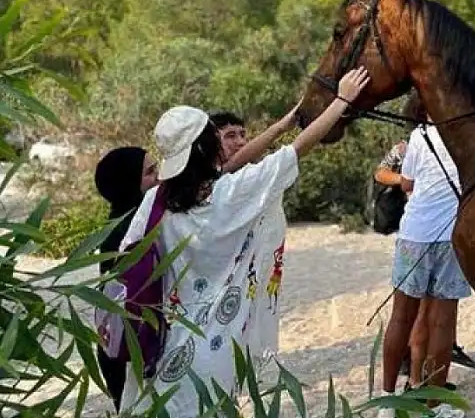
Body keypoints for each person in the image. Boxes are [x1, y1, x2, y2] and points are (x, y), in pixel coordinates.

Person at [117, 68, 370, 417]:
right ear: (208, 145)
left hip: (166, 346)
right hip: (217, 350)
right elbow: (297, 150)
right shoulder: (230, 194)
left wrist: (284, 123)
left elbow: (128, 260)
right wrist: (342, 99)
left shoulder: (155, 203)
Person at [379, 94, 471, 418]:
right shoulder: (467, 131)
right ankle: (434, 404)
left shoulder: (419, 136)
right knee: (442, 323)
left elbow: (408, 184)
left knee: (401, 318)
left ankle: (387, 402)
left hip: (413, 236)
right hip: (450, 238)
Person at [210, 110, 289, 374]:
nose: (241, 142)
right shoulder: (213, 184)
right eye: (230, 136)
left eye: (243, 134)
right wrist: (284, 123)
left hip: (261, 283)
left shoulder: (259, 175)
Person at [93, 146, 158, 410]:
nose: (159, 177)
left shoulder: (131, 221)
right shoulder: (127, 232)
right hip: (129, 349)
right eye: (150, 172)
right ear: (129, 182)